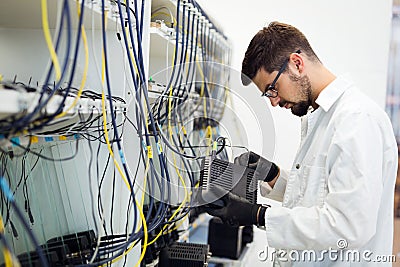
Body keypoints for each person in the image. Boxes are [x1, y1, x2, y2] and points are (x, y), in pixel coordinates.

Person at [204, 21, 398, 266]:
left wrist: (260, 215)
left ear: (296, 63)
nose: (273, 102)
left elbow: (349, 226)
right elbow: (319, 196)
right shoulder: (320, 117)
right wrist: (273, 175)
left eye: (271, 89)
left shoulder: (356, 120)